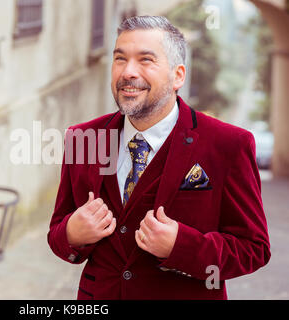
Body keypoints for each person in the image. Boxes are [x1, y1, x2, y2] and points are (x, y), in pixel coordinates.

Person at [47, 15, 270, 300]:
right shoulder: (81, 138)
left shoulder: (229, 144)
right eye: (120, 59)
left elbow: (254, 248)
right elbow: (57, 233)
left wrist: (182, 246)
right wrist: (71, 234)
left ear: (178, 75)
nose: (128, 71)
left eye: (145, 60)